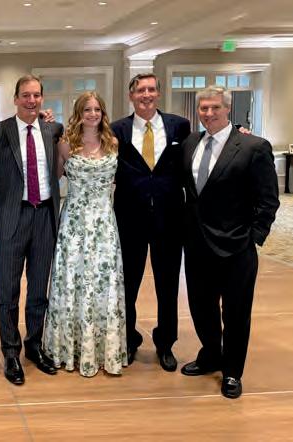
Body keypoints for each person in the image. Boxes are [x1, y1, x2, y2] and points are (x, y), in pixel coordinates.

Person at [180, 85, 279, 399]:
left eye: (215, 108)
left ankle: (233, 371)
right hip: (196, 246)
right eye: (204, 108)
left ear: (227, 109)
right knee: (201, 307)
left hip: (237, 248)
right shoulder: (190, 143)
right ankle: (211, 354)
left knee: (236, 313)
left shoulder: (253, 147)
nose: (209, 113)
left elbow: (268, 200)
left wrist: (254, 238)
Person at [0, 74, 62, 385]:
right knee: (8, 291)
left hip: (44, 218)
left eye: (36, 95)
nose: (31, 100)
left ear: (42, 98)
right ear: (15, 99)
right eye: (25, 95)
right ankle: (11, 352)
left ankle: (34, 345)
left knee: (39, 289)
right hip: (10, 220)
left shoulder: (53, 130)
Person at [42, 91, 127, 377]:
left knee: (103, 283)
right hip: (75, 223)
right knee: (72, 282)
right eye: (87, 109)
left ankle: (103, 349)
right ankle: (71, 348)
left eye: (97, 109)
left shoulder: (112, 142)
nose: (93, 114)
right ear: (78, 113)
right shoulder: (66, 144)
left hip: (104, 223)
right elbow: (53, 177)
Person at [110, 74, 191, 371]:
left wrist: (238, 132)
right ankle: (129, 340)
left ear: (158, 93)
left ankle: (165, 342)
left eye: (151, 89)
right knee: (127, 284)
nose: (147, 95)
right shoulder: (116, 129)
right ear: (131, 95)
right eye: (141, 90)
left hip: (169, 218)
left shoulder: (179, 126)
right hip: (129, 218)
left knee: (167, 285)